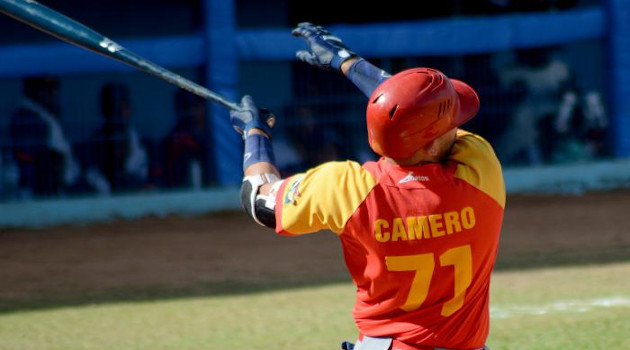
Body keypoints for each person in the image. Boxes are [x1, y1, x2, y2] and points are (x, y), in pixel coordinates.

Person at [229, 23, 505, 350]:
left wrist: (255, 134)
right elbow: (407, 106)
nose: (457, 126)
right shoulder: (479, 171)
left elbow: (258, 200)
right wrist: (348, 62)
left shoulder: (346, 188)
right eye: (450, 124)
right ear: (430, 146)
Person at [9, 76, 81, 199]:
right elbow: (27, 159)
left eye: (53, 89)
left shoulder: (44, 113)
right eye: (47, 89)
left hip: (61, 185)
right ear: (33, 90)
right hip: (38, 191)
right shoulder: (27, 117)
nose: (52, 94)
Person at [84, 82, 148, 195]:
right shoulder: (94, 141)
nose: (119, 111)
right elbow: (90, 174)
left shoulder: (143, 140)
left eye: (123, 104)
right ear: (104, 109)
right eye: (114, 105)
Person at [161, 89, 213, 189]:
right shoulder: (174, 138)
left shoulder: (215, 135)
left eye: (198, 107)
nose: (194, 112)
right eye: (191, 108)